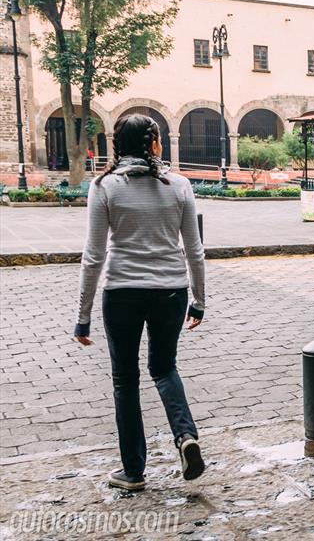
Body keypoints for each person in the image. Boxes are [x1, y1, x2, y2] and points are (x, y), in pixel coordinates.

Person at [73, 114, 206, 491]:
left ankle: (133, 471)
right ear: (154, 144)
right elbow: (194, 250)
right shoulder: (179, 185)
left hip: (123, 293)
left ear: (118, 145)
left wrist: (82, 317)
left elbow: (93, 256)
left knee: (125, 381)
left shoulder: (104, 187)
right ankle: (185, 437)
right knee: (164, 368)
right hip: (171, 292)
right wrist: (199, 301)